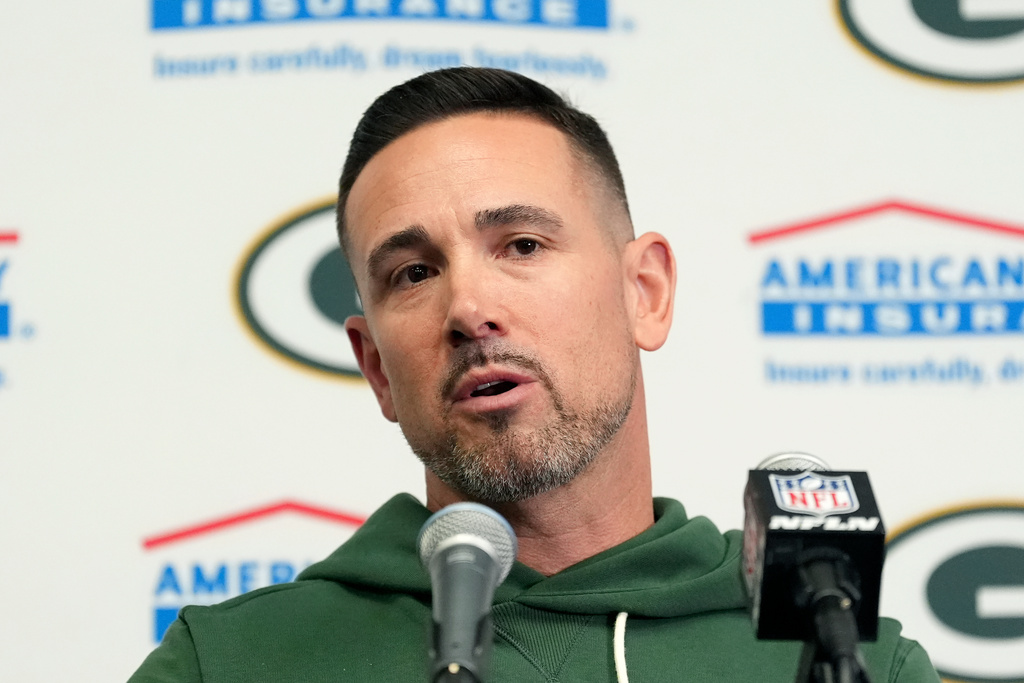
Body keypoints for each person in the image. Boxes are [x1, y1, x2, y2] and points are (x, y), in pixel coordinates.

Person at [129, 67, 938, 682]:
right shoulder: (232, 660)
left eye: (521, 244)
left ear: (644, 294)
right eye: (412, 273)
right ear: (376, 368)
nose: (469, 308)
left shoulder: (843, 654)